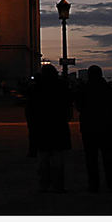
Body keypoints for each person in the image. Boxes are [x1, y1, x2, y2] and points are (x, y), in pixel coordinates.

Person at [26, 64, 72, 193]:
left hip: (42, 128)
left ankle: (44, 185)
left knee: (43, 159)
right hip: (58, 127)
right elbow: (68, 106)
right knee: (58, 160)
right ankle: (59, 186)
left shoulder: (36, 88)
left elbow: (30, 110)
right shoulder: (62, 87)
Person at [75, 65, 112, 193]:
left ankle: (93, 184)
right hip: (107, 127)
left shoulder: (84, 90)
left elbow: (79, 106)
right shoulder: (108, 89)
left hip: (89, 127)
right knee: (109, 157)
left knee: (91, 158)